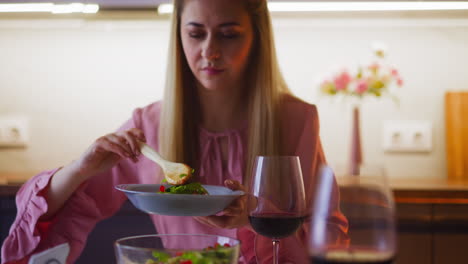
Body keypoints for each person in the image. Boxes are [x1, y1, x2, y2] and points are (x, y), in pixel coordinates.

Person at [1, 0, 348, 263]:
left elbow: (326, 241)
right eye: (196, 34)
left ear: (257, 37)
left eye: (228, 34)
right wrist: (79, 168)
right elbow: (64, 214)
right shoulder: (150, 124)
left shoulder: (297, 120)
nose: (209, 52)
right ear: (179, 34)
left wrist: (255, 217)